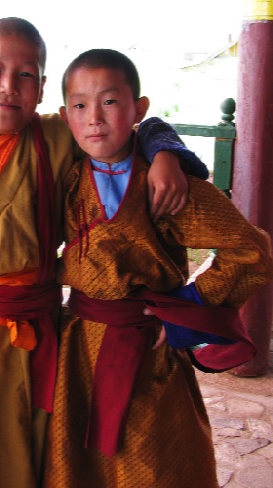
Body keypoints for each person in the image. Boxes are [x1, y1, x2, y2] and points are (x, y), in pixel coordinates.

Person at [0, 19, 209, 488]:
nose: (9, 87)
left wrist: (164, 150)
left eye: (27, 75)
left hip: (41, 335)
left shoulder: (55, 138)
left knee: (36, 462)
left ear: (40, 91)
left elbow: (120, 125)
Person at [41, 48, 273, 488]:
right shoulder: (66, 175)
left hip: (148, 348)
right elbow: (2, 125)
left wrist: (187, 309)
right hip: (76, 350)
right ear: (64, 115)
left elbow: (252, 249)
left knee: (155, 461)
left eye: (110, 101)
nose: (94, 118)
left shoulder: (163, 184)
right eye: (79, 105)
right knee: (75, 461)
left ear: (138, 109)